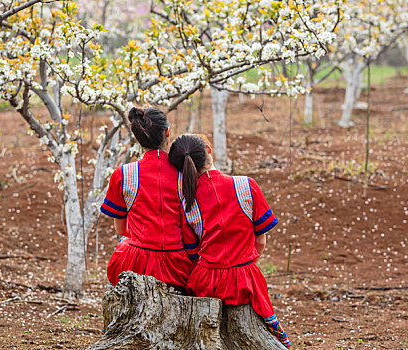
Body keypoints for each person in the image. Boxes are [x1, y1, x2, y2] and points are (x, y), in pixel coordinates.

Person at [168, 134, 292, 348]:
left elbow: (192, 252)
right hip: (244, 280)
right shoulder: (246, 186)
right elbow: (260, 240)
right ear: (208, 149)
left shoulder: (187, 202)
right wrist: (244, 265)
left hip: (204, 282)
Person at [100, 107, 194, 289]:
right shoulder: (187, 173)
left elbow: (121, 228)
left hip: (134, 265)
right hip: (178, 267)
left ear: (136, 138)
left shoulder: (124, 174)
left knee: (124, 243)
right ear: (168, 132)